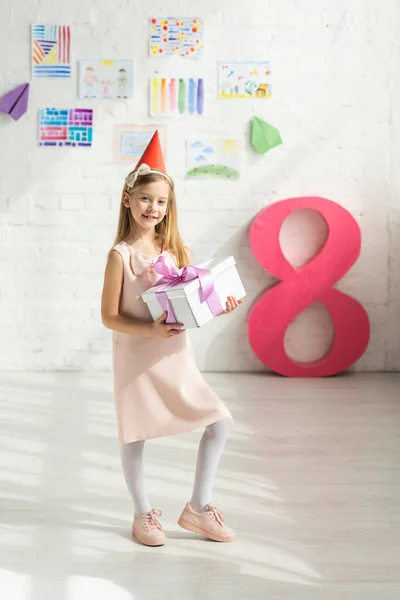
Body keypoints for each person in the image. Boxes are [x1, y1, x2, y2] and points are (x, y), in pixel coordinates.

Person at [101, 131, 243, 547]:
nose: (154, 208)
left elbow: (187, 303)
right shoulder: (120, 255)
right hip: (136, 356)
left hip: (175, 356)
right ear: (128, 199)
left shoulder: (175, 248)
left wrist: (219, 305)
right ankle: (142, 513)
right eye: (146, 199)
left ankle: (198, 508)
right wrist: (150, 330)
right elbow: (110, 316)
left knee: (220, 421)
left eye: (161, 201)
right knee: (135, 432)